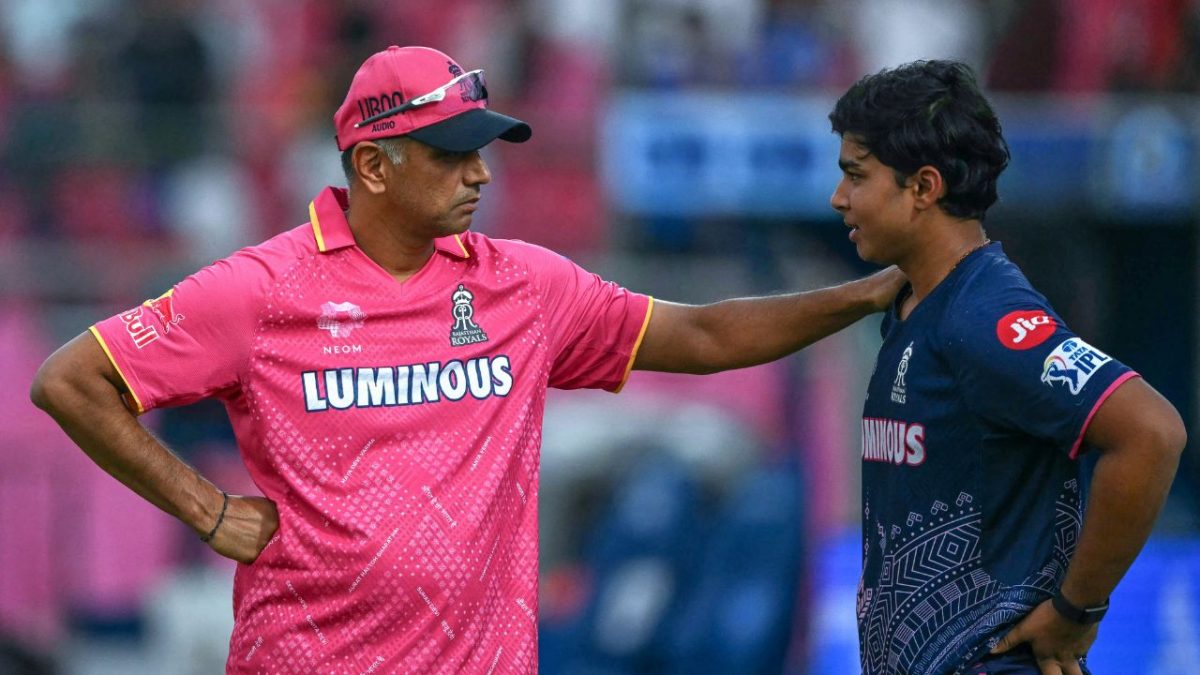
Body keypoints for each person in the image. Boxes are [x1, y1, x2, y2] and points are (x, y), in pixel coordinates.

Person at [30, 46, 903, 674]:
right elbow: (71, 379)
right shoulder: (260, 289)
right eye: (452, 155)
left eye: (481, 150)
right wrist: (208, 509)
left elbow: (705, 335)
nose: (480, 173)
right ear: (373, 165)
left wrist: (862, 295)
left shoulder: (522, 285)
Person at [828, 60, 1186, 675]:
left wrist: (1076, 609)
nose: (839, 199)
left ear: (924, 187)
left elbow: (1151, 432)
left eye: (856, 176)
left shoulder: (987, 315)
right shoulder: (916, 305)